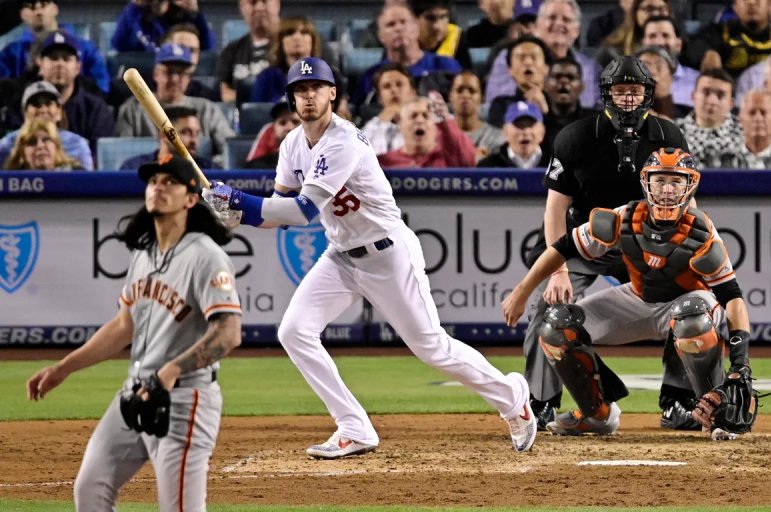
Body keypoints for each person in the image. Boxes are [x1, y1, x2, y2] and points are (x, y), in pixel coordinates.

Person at [203, 57, 535, 458]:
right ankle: (354, 426)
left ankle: (512, 398)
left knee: (432, 347)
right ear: (291, 98)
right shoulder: (292, 144)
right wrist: (237, 214)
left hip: (387, 253)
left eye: (316, 88)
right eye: (300, 90)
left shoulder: (343, 140)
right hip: (341, 255)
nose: (308, 96)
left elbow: (302, 212)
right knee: (294, 331)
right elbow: (278, 211)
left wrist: (238, 199)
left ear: (332, 94)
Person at [26, 155, 242, 510]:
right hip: (136, 391)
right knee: (91, 487)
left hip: (186, 399)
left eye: (169, 181)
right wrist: (63, 368)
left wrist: (171, 371)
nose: (158, 186)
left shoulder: (206, 256)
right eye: (153, 180)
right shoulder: (144, 254)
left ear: (191, 198)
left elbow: (228, 333)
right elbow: (123, 325)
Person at [502, 147, 755, 441]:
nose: (667, 189)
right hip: (637, 299)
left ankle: (715, 412)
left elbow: (732, 297)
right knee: (556, 325)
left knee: (692, 318)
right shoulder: (626, 217)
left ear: (691, 185)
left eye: (676, 181)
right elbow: (563, 247)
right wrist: (522, 291)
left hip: (689, 304)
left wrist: (741, 362)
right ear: (646, 182)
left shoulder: (701, 232)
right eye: (660, 180)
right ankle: (597, 413)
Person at [519, 56, 692, 431]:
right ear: (605, 94)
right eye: (620, 90)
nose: (628, 98)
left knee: (691, 301)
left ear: (648, 94)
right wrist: (559, 270)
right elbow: (554, 211)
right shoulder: (574, 136)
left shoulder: (669, 135)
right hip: (585, 241)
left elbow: (686, 201)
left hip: (647, 241)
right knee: (545, 308)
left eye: (635, 90)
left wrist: (686, 253)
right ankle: (541, 403)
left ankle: (678, 401)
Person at [117, 43, 235, 163]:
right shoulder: (132, 109)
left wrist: (208, 166)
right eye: (168, 72)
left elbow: (230, 151)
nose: (174, 79)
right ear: (156, 74)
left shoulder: (208, 109)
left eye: (181, 73)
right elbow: (123, 153)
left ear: (189, 78)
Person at [485, 0, 600, 110]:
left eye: (566, 19)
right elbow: (495, 105)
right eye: (551, 17)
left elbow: (596, 111)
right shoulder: (509, 57)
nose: (559, 23)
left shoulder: (590, 68)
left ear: (576, 31)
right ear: (538, 26)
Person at [351, 2, 461, 107]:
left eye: (404, 22)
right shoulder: (371, 76)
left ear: (416, 28)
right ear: (381, 36)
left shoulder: (446, 66)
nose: (399, 28)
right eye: (391, 24)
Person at [35, 30, 115, 157]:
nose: (59, 64)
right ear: (39, 64)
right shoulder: (23, 105)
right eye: (53, 58)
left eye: (66, 59)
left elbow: (100, 158)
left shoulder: (96, 109)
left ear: (78, 67)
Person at [0, 4, 109, 93]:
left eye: (44, 4)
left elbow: (102, 87)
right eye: (31, 6)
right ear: (22, 13)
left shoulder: (86, 48)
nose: (39, 12)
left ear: (55, 8)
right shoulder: (11, 52)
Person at [0, 80, 92, 170]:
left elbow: (86, 182)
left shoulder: (78, 144)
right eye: (36, 104)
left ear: (59, 112)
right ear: (25, 113)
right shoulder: (6, 145)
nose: (43, 110)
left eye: (48, 104)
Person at [378, 93, 476, 168]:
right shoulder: (385, 162)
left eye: (426, 116)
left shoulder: (449, 159)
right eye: (413, 116)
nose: (420, 120)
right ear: (400, 123)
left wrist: (445, 121)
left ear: (436, 126)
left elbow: (468, 161)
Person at [684, 0, 771, 78]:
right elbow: (695, 45)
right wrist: (708, 53)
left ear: (770, 4)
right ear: (735, 7)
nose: (751, 2)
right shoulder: (720, 31)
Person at [674, 68, 743, 168]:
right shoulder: (671, 132)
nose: (712, 101)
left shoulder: (745, 132)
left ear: (731, 104)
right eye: (706, 92)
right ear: (693, 96)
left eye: (720, 95)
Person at [216, 0, 281, 104]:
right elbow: (225, 92)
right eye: (252, 2)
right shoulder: (231, 51)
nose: (259, 7)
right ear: (242, 7)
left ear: (277, 4)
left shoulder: (292, 46)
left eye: (265, 1)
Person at [540, 57, 600, 164]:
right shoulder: (534, 121)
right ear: (545, 85)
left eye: (571, 77)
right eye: (557, 77)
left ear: (581, 87)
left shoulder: (596, 122)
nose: (564, 81)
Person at [119, 105, 218, 170]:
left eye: (197, 133)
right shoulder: (133, 168)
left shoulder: (210, 169)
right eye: (186, 132)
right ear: (164, 134)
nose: (194, 141)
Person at [716, 89, 771, 169]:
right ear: (740, 120)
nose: (758, 118)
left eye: (763, 113)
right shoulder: (722, 161)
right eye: (752, 113)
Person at [487, 35, 551, 128]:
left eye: (534, 57)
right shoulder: (500, 105)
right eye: (521, 58)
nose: (528, 62)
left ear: (546, 68)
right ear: (510, 70)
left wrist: (545, 113)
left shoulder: (558, 104)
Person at [111, 0, 216, 53]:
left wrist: (195, 13)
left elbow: (207, 48)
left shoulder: (183, 15)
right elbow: (118, 44)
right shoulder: (137, 15)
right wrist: (134, 6)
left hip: (178, 70)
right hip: (147, 73)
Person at [639, 15, 698, 108]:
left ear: (678, 44)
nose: (659, 42)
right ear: (643, 43)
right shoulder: (627, 80)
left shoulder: (697, 81)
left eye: (665, 35)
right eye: (652, 36)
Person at [359, 62, 417, 155]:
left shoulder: (428, 122)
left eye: (399, 84)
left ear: (413, 92)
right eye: (387, 86)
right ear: (380, 98)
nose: (394, 90)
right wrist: (383, 121)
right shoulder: (370, 130)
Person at [449, 70, 505, 161]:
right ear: (450, 96)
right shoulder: (437, 135)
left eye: (472, 91)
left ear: (482, 98)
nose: (465, 95)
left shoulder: (497, 137)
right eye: (459, 90)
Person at [478, 100, 544, 168]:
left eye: (530, 125)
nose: (526, 132)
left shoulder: (554, 164)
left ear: (542, 131)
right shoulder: (487, 167)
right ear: (505, 132)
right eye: (519, 125)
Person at [411, 0, 472, 69]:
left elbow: (467, 72)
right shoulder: (404, 39)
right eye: (430, 18)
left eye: (443, 17)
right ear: (414, 19)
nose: (438, 26)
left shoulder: (457, 36)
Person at [635, 46, 691, 120]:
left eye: (659, 67)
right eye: (645, 68)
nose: (653, 72)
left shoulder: (688, 115)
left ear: (671, 75)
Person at [4, 118, 82, 170]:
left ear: (57, 147)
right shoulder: (8, 181)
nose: (40, 146)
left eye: (46, 140)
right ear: (22, 152)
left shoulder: (77, 174)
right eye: (32, 142)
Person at [244, 100, 300, 168]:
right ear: (274, 128)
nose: (289, 128)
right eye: (282, 123)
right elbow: (250, 168)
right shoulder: (269, 130)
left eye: (295, 122)